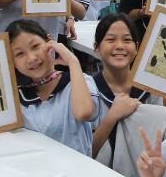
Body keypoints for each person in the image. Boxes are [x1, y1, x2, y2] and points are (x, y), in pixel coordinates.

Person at [89, 14, 166, 177]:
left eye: (127, 40)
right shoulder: (89, 90)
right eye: (110, 39)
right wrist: (112, 117)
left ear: (137, 47)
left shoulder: (150, 88)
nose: (120, 46)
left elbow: (160, 137)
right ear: (96, 47)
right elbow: (85, 151)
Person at [7, 19, 98, 155]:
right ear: (11, 61)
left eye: (35, 46)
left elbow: (83, 112)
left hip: (76, 168)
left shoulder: (79, 81)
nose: (31, 58)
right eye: (20, 54)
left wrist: (73, 61)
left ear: (49, 42)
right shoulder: (15, 99)